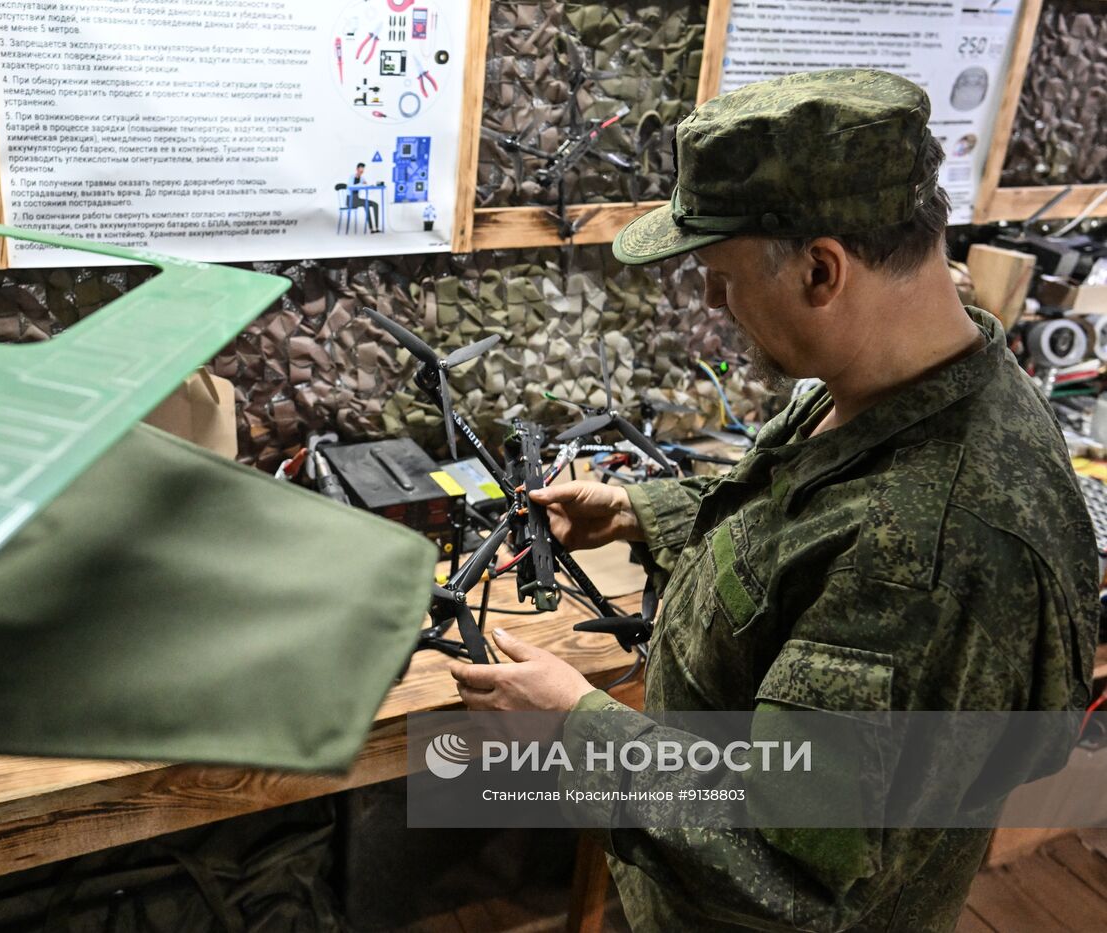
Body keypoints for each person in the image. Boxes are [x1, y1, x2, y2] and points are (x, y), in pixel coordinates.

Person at [448, 69, 1098, 931]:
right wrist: (644, 511)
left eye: (720, 276)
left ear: (823, 269)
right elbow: (797, 518)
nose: (714, 304)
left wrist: (576, 725)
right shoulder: (887, 378)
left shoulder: (935, 556)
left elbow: (786, 869)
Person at [350, 162, 381, 233]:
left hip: (357, 199)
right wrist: (361, 184)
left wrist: (370, 186)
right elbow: (351, 187)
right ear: (357, 169)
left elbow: (365, 185)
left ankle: (376, 228)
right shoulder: (351, 177)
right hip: (351, 199)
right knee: (366, 204)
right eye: (360, 170)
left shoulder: (362, 178)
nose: (361, 172)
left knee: (375, 204)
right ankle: (371, 228)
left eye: (362, 171)